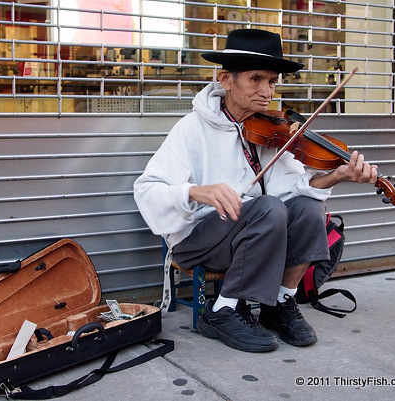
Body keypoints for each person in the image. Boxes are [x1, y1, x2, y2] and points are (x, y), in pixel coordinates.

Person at [133, 29, 378, 352]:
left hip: (254, 234)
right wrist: (196, 192)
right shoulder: (192, 129)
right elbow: (147, 190)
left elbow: (295, 191)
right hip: (198, 240)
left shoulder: (268, 132)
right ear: (226, 79)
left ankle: (279, 303)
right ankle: (222, 310)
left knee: (308, 208)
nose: (267, 92)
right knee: (268, 208)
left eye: (273, 82)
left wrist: (336, 176)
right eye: (256, 79)